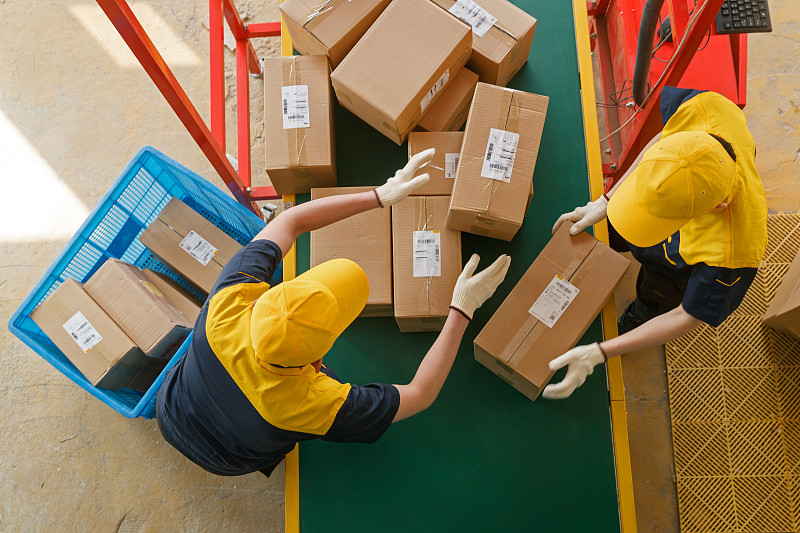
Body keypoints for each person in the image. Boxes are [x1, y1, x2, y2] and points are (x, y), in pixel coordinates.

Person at [156, 149, 511, 476]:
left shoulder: (227, 305)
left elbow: (289, 222)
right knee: (274, 437)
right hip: (230, 456)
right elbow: (419, 394)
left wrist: (380, 195)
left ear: (264, 301)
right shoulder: (308, 405)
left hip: (170, 406)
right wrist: (462, 308)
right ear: (315, 361)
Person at [542, 87, 767, 400]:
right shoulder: (709, 109)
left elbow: (687, 315)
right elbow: (663, 141)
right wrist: (607, 201)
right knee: (617, 231)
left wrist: (601, 351)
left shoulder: (733, 252)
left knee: (655, 293)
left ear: (716, 208)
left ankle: (641, 313)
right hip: (651, 201)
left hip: (674, 267)